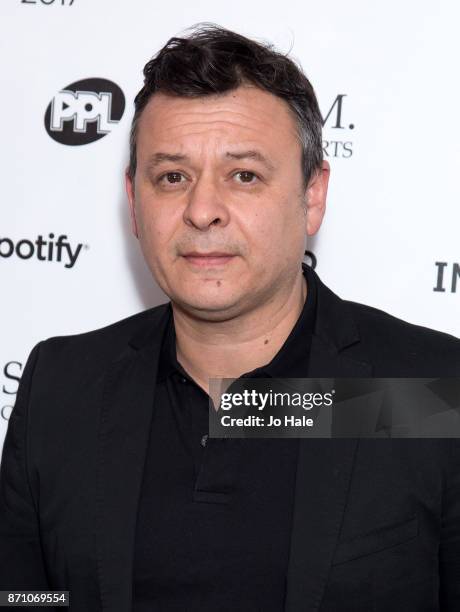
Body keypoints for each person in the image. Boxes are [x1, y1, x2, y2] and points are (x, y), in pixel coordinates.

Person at [1, 23, 459, 612]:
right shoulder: (62, 385)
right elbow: (25, 598)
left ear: (312, 195)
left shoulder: (424, 391)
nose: (202, 210)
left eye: (244, 175)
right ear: (134, 200)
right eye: (172, 177)